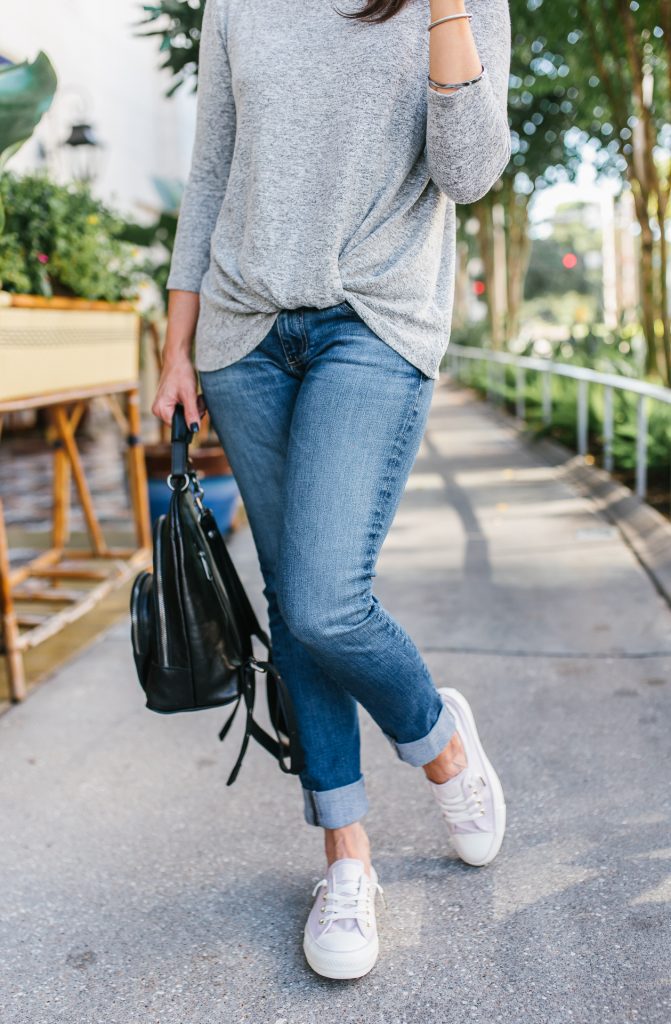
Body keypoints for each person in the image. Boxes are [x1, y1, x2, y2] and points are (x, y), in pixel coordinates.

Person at [152, 0, 512, 981]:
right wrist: (176, 345)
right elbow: (212, 168)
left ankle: (438, 746)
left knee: (323, 598)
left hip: (375, 319)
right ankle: (345, 858)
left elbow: (469, 171)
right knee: (292, 606)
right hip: (242, 335)